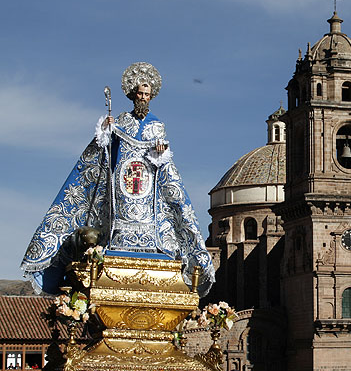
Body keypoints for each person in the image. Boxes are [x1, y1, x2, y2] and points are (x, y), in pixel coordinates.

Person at [21, 62, 214, 295]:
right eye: (140, 94)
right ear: (133, 95)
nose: (143, 98)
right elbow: (103, 151)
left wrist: (160, 151)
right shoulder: (120, 121)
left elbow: (164, 163)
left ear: (151, 96)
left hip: (147, 190)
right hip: (122, 187)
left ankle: (152, 244)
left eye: (146, 94)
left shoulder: (157, 126)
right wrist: (105, 129)